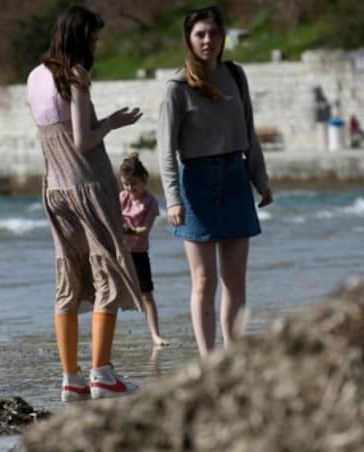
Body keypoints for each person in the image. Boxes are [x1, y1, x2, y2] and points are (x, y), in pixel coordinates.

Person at [26, 5, 145, 402]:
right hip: (87, 185)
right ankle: (102, 374)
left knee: (69, 278)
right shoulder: (74, 75)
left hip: (54, 189)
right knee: (106, 272)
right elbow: (82, 139)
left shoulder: (35, 76)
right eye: (93, 36)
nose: (96, 42)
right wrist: (113, 121)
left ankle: (70, 378)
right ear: (79, 36)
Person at [157, 6, 273, 358]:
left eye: (213, 33)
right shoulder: (177, 87)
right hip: (197, 183)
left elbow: (248, 131)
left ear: (223, 37)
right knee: (203, 281)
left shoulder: (236, 76)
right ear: (189, 41)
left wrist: (261, 179)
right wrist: (173, 199)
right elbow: (165, 149)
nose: (207, 40)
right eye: (199, 34)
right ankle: (208, 362)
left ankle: (232, 358)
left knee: (235, 282)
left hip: (236, 178)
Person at [119, 152, 168, 347]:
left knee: (147, 295)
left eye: (134, 184)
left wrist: (126, 229)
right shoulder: (122, 197)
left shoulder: (150, 202)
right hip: (120, 252)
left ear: (144, 180)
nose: (130, 189)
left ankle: (155, 335)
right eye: (126, 184)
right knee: (111, 294)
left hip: (139, 254)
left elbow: (143, 231)